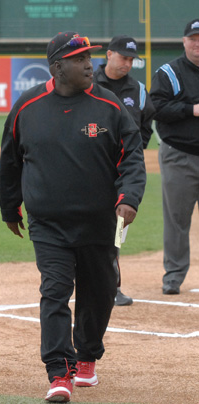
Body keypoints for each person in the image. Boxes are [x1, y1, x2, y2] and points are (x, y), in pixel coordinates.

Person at [0, 31, 146, 402]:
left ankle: (87, 357)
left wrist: (129, 198)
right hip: (48, 224)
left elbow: (132, 157)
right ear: (57, 67)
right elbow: (10, 160)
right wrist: (9, 207)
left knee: (99, 292)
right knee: (55, 291)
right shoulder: (27, 107)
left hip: (99, 222)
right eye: (80, 59)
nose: (89, 65)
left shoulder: (110, 106)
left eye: (89, 58)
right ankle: (58, 373)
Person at [94, 35, 155, 306]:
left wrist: (131, 153)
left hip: (122, 174)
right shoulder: (88, 83)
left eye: (131, 59)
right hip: (90, 169)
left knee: (117, 231)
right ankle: (81, 281)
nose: (127, 64)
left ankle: (111, 287)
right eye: (123, 57)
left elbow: (145, 126)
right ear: (109, 55)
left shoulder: (138, 90)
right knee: (87, 228)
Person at [150, 19, 199, 295]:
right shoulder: (169, 72)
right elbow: (155, 106)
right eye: (193, 38)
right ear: (184, 41)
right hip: (180, 156)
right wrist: (191, 110)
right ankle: (174, 276)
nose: (198, 44)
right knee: (177, 219)